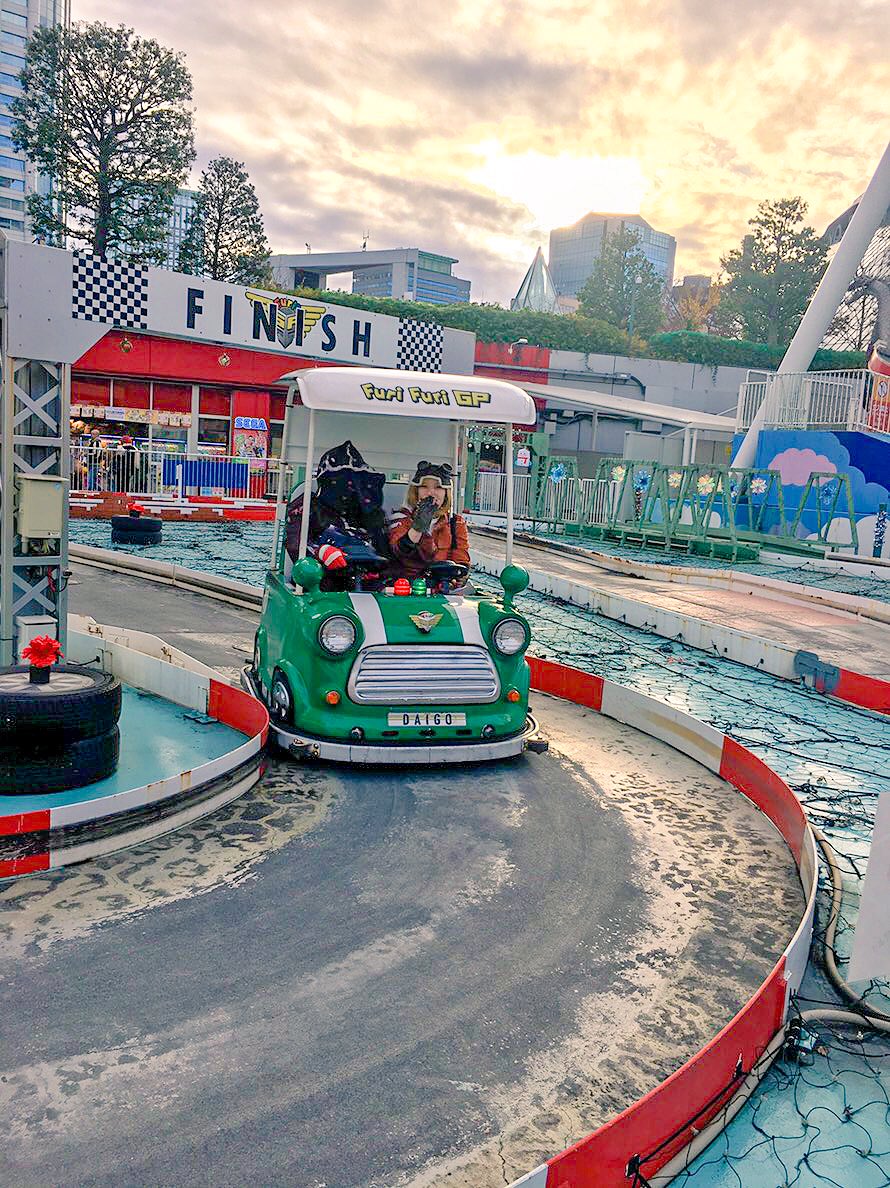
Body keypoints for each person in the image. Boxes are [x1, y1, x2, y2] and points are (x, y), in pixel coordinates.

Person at [285, 440, 391, 589]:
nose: (350, 487)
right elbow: (295, 544)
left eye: (355, 481)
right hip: (317, 582)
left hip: (364, 582)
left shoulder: (368, 513)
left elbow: (385, 551)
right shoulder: (307, 507)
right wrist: (319, 552)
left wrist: (376, 566)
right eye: (341, 480)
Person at [389, 461, 470, 579]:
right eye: (424, 486)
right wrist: (418, 526)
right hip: (407, 585)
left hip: (441, 585)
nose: (431, 492)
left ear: (446, 493)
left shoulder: (456, 523)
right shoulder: (401, 518)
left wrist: (456, 579)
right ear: (416, 491)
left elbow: (461, 563)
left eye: (438, 487)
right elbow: (398, 551)